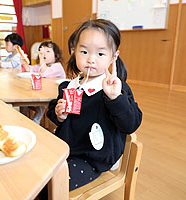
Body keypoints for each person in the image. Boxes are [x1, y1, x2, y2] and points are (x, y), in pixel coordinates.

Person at [46, 19, 143, 193]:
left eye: (100, 54)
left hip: (93, 158)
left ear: (113, 56)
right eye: (84, 51)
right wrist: (59, 114)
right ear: (74, 52)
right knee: (34, 170)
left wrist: (115, 98)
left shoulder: (115, 89)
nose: (90, 59)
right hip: (64, 148)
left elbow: (131, 123)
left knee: (51, 185)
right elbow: (54, 111)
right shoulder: (69, 85)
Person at [21, 41, 66, 124]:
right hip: (43, 92)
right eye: (42, 51)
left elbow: (45, 73)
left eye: (48, 51)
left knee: (42, 104)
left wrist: (41, 59)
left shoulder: (57, 66)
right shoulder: (40, 66)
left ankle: (37, 119)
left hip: (55, 94)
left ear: (56, 56)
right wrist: (24, 63)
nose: (44, 54)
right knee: (24, 101)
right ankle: (24, 118)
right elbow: (30, 69)